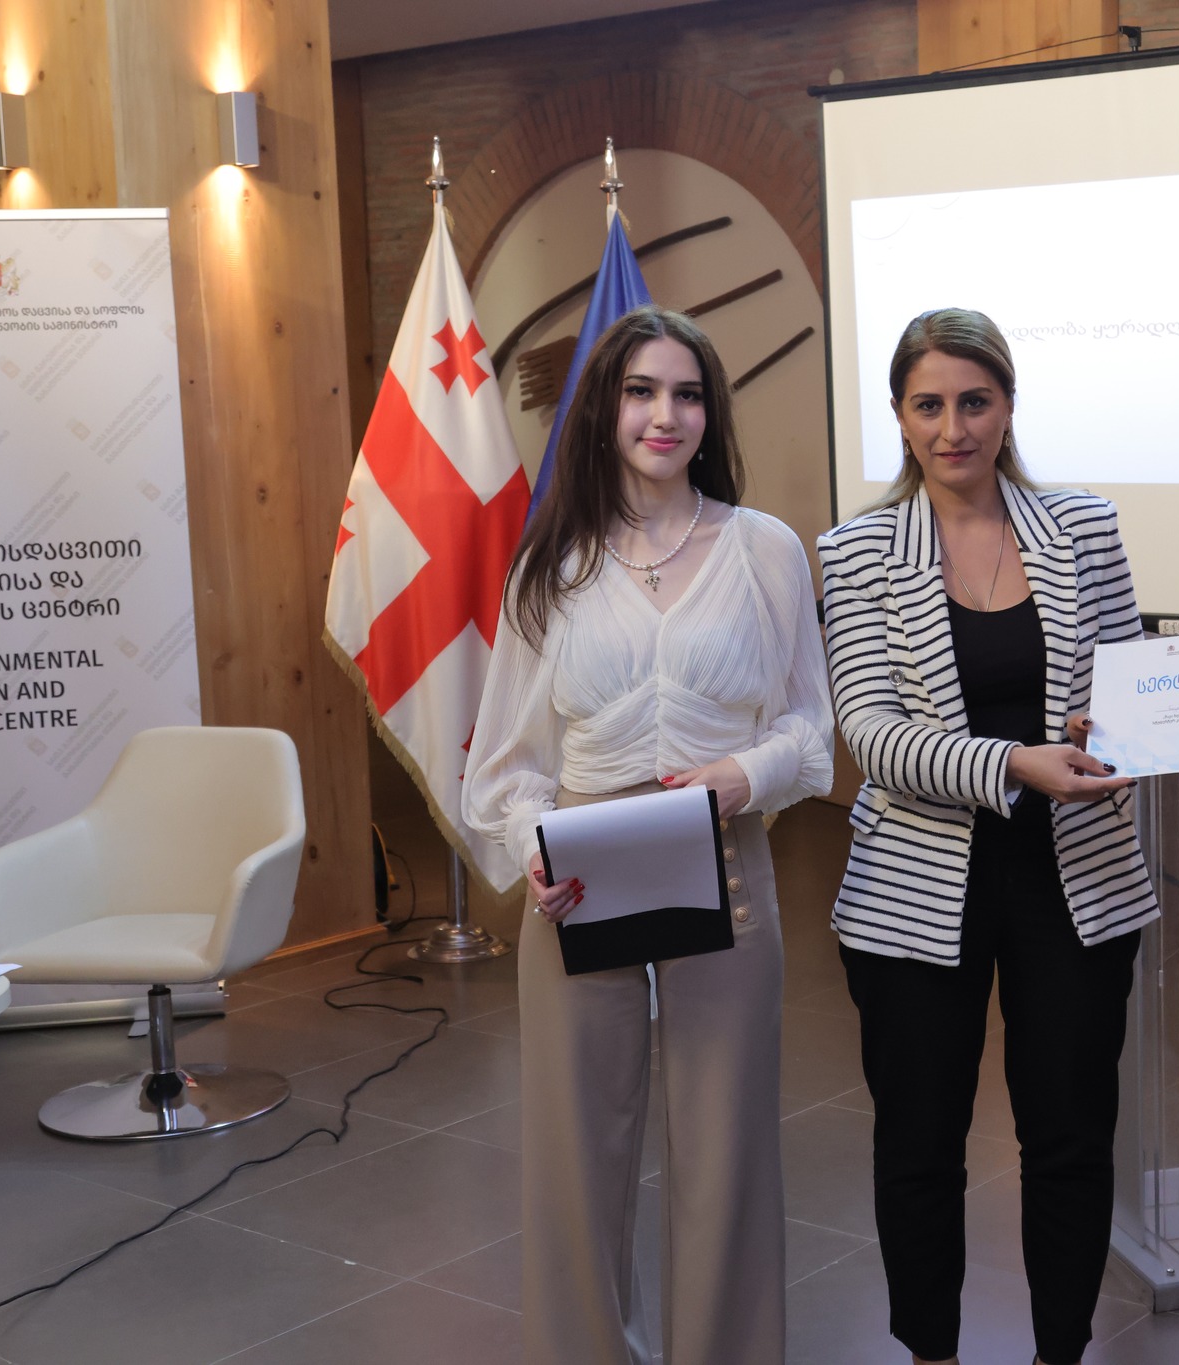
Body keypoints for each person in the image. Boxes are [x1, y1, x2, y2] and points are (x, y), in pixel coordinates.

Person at [463, 304, 833, 1365]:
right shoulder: (552, 563)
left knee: (726, 1147)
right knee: (575, 1154)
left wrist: (743, 776)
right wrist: (533, 847)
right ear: (604, 409)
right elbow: (506, 760)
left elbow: (810, 729)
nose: (663, 415)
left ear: (709, 415)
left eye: (685, 394)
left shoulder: (764, 550)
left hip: (726, 858)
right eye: (640, 391)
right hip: (581, 874)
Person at [818, 307, 1159, 1365]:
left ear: (1008, 406)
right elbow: (874, 737)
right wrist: (1017, 764)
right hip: (916, 887)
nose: (952, 427)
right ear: (898, 415)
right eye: (928, 405)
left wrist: (1174, 694)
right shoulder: (857, 551)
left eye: (974, 401)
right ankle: (932, 1351)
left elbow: (1127, 698)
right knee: (919, 1146)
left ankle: (1062, 1350)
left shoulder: (1083, 527)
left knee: (1070, 1139)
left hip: (1077, 877)